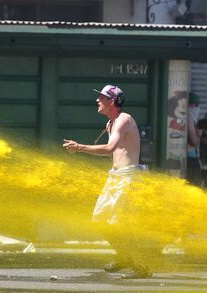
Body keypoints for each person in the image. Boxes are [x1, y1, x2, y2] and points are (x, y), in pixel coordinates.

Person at [63, 85, 150, 277]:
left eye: (101, 97)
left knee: (119, 225)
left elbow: (110, 148)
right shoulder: (111, 123)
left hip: (129, 178)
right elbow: (115, 152)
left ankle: (141, 267)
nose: (97, 101)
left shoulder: (124, 119)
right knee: (100, 220)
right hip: (116, 177)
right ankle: (125, 257)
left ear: (111, 101)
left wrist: (79, 147)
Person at [186, 92, 201, 186]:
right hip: (191, 158)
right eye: (195, 105)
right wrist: (199, 135)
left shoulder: (184, 116)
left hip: (189, 157)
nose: (196, 108)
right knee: (194, 184)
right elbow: (194, 141)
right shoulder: (189, 117)